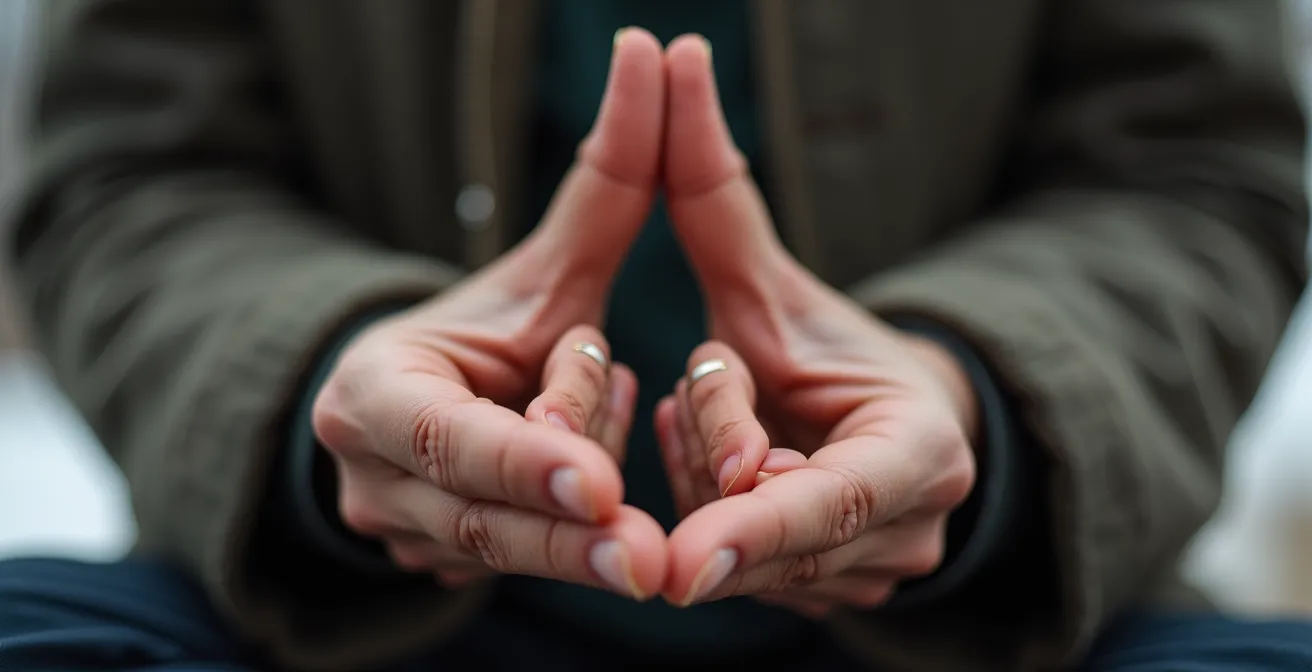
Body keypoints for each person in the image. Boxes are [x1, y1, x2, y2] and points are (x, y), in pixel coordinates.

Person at [3, 1, 1310, 670]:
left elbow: (1201, 170)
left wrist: (969, 400)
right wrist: (319, 387)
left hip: (990, 640)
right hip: (331, 632)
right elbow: (127, 171)